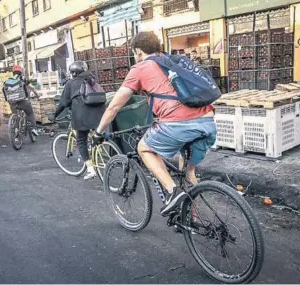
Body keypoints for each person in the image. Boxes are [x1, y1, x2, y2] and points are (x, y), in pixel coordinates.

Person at [92, 32, 216, 215]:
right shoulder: (174, 61)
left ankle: (173, 192)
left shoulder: (140, 68)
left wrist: (98, 133)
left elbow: (113, 107)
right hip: (207, 121)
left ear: (139, 51)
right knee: (189, 175)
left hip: (178, 124)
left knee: (145, 148)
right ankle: (191, 218)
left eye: (135, 53)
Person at [50, 61, 106, 180]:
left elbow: (63, 103)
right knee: (96, 134)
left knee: (81, 140)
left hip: (82, 116)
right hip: (100, 115)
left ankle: (90, 169)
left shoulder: (71, 83)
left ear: (73, 73)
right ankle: (100, 149)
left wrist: (55, 115)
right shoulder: (92, 79)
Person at [4, 65, 39, 137]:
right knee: (30, 113)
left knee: (15, 115)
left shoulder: (8, 80)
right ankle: (34, 128)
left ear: (13, 72)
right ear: (21, 72)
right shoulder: (22, 79)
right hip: (22, 101)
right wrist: (37, 95)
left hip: (12, 102)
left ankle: (16, 130)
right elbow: (32, 87)